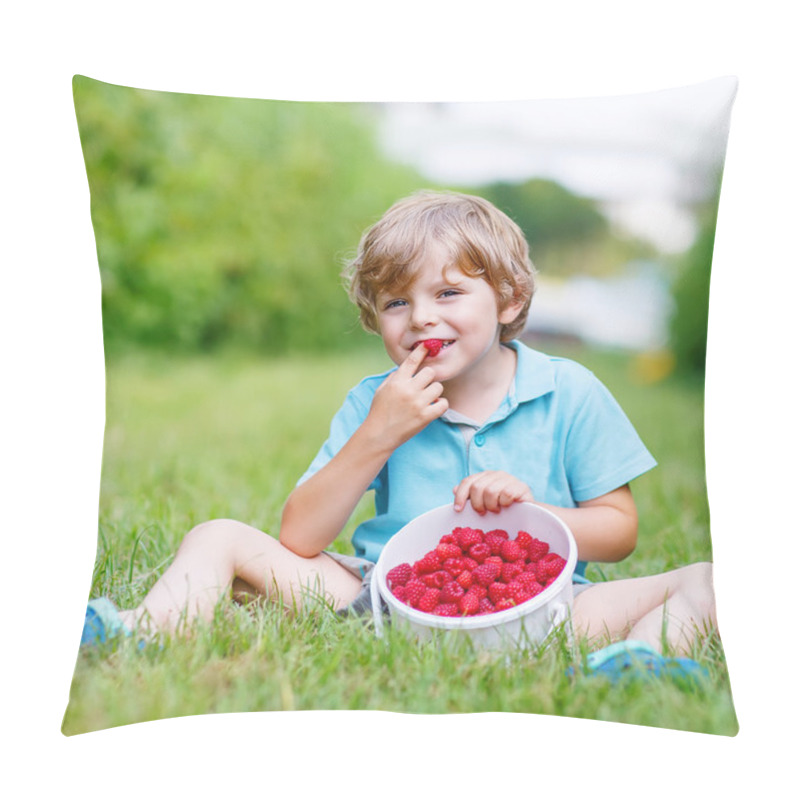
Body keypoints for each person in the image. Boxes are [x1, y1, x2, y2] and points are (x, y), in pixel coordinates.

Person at [83, 190, 719, 678]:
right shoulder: (373, 400)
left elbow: (620, 532)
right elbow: (300, 536)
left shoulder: (570, 391)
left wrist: (530, 515)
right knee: (218, 537)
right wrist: (377, 434)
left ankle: (633, 664)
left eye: (448, 292)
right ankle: (148, 628)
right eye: (396, 303)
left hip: (545, 610)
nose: (421, 318)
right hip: (379, 599)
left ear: (508, 300)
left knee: (708, 580)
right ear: (374, 317)